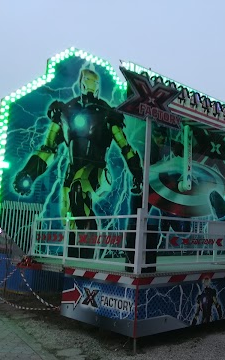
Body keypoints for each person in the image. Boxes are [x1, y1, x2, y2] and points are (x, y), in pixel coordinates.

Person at [13, 68, 143, 258]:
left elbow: (125, 146)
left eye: (93, 84)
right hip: (72, 170)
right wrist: (29, 173)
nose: (90, 88)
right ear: (81, 83)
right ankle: (75, 256)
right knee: (70, 215)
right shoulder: (66, 111)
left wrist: (137, 172)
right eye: (87, 83)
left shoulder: (107, 113)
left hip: (97, 170)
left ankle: (87, 255)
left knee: (78, 192)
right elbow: (48, 148)